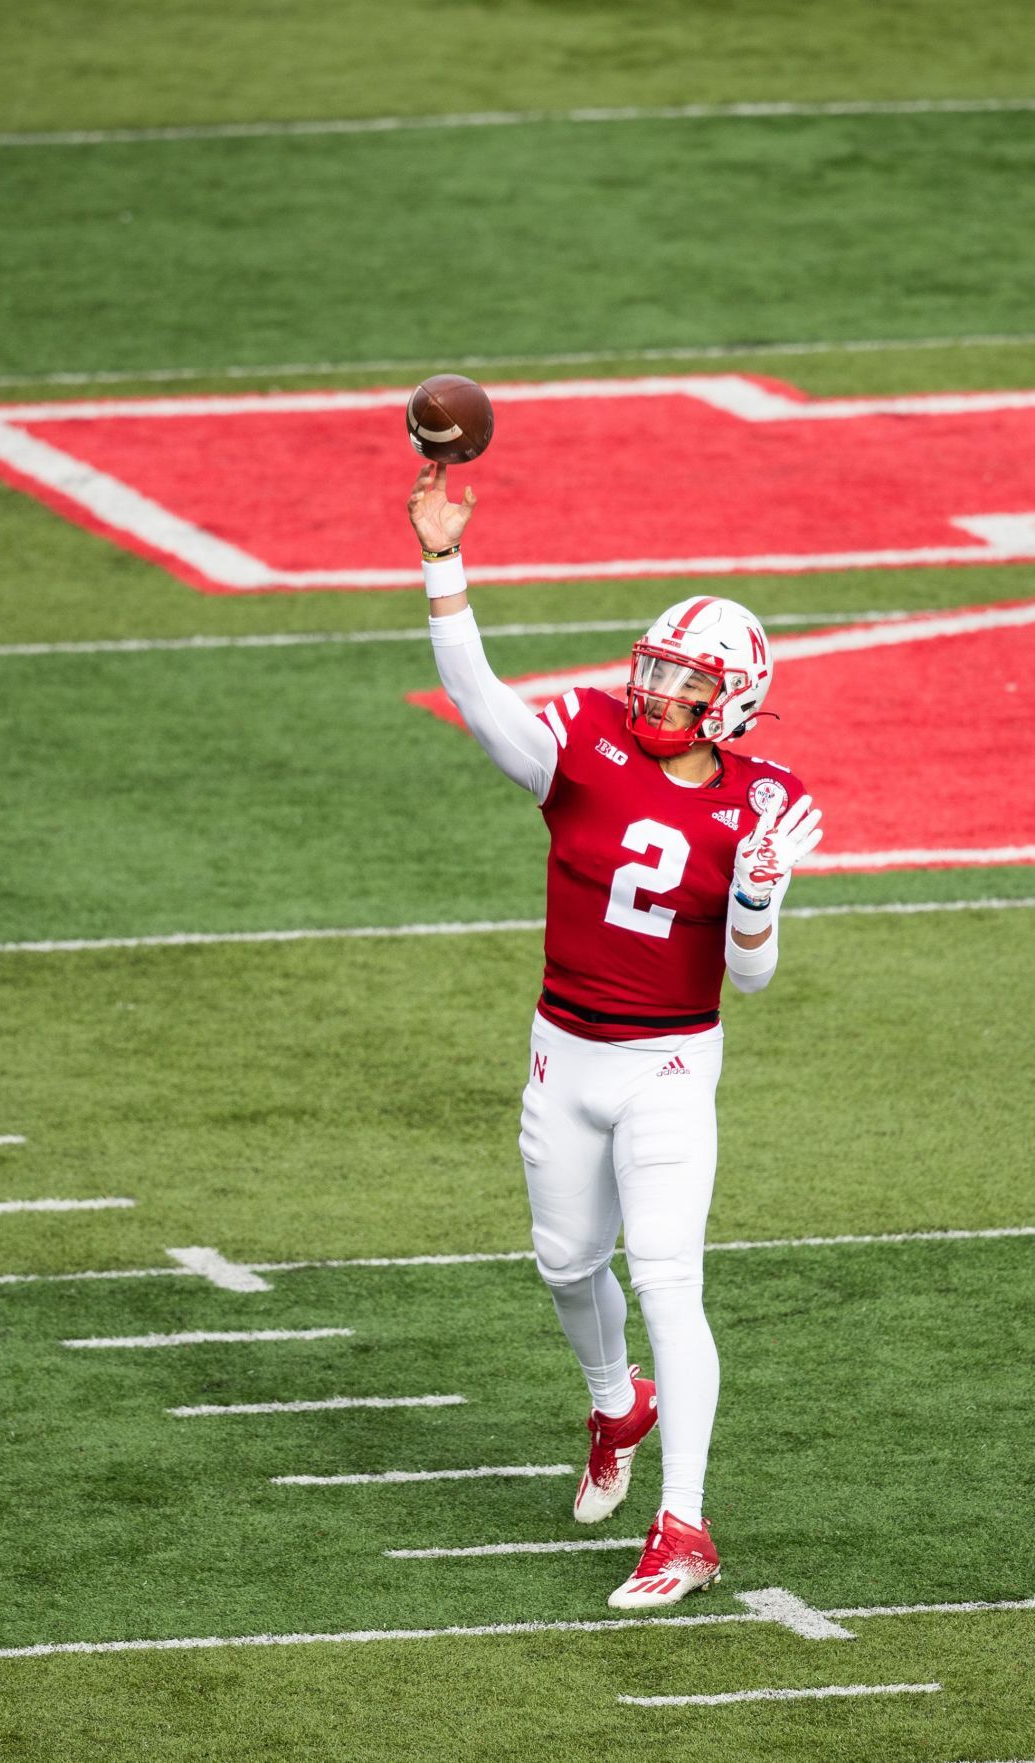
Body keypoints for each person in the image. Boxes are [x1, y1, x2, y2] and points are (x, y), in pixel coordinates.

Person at [407, 459, 823, 1610]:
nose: (654, 695)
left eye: (684, 683)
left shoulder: (760, 802)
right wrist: (443, 563)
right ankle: (612, 1401)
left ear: (731, 699)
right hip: (562, 1052)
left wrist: (754, 899)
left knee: (668, 1280)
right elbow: (482, 702)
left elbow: (754, 974)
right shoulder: (582, 736)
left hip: (669, 1066)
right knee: (562, 1262)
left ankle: (683, 1523)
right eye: (653, 671)